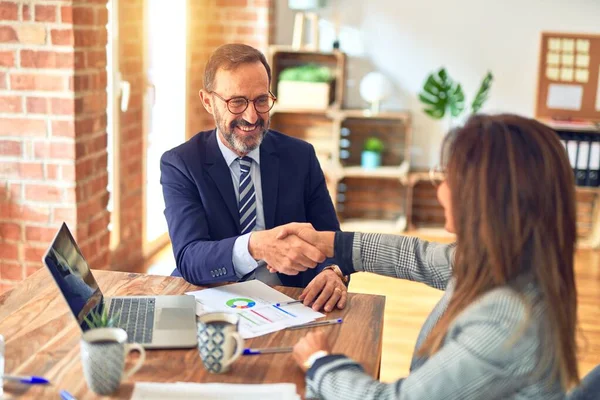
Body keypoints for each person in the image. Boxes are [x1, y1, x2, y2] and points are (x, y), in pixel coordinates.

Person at [279, 114, 581, 398]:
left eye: (449, 177)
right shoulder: (506, 262)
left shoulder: (507, 318)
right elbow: (416, 256)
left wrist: (321, 362)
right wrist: (331, 243)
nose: (440, 190)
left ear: (485, 197)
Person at [160, 43, 347, 312]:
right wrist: (253, 246)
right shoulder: (181, 164)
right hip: (210, 296)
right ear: (207, 101)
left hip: (291, 298)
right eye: (236, 102)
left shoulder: (300, 156)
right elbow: (189, 256)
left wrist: (333, 271)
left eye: (261, 100)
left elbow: (331, 239)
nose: (251, 116)